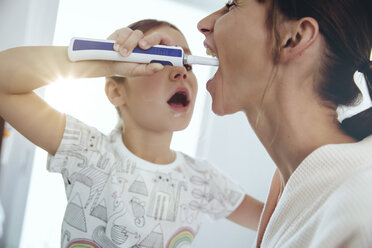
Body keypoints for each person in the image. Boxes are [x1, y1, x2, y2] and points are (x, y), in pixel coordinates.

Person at [0, 19, 264, 247]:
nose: (181, 70)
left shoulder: (202, 180)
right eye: (159, 60)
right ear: (116, 91)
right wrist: (102, 61)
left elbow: (280, 218)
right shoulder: (87, 151)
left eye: (187, 62)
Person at [194, 0, 372, 247]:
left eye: (232, 5)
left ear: (295, 38)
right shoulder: (286, 184)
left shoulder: (360, 210)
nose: (203, 24)